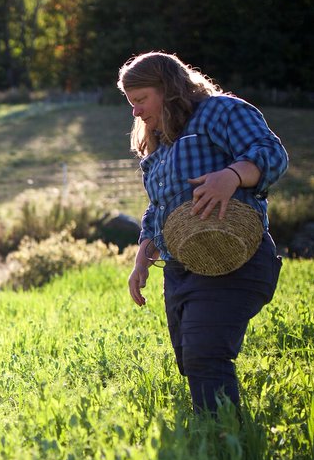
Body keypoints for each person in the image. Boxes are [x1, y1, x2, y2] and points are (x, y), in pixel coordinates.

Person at [119, 51, 288, 414]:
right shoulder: (160, 142)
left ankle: (224, 444)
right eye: (130, 103)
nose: (135, 112)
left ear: (168, 88)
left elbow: (272, 153)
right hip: (183, 268)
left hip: (236, 257)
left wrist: (232, 176)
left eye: (141, 100)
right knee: (190, 359)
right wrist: (143, 254)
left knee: (205, 354)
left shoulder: (221, 111)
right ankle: (213, 434)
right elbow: (160, 206)